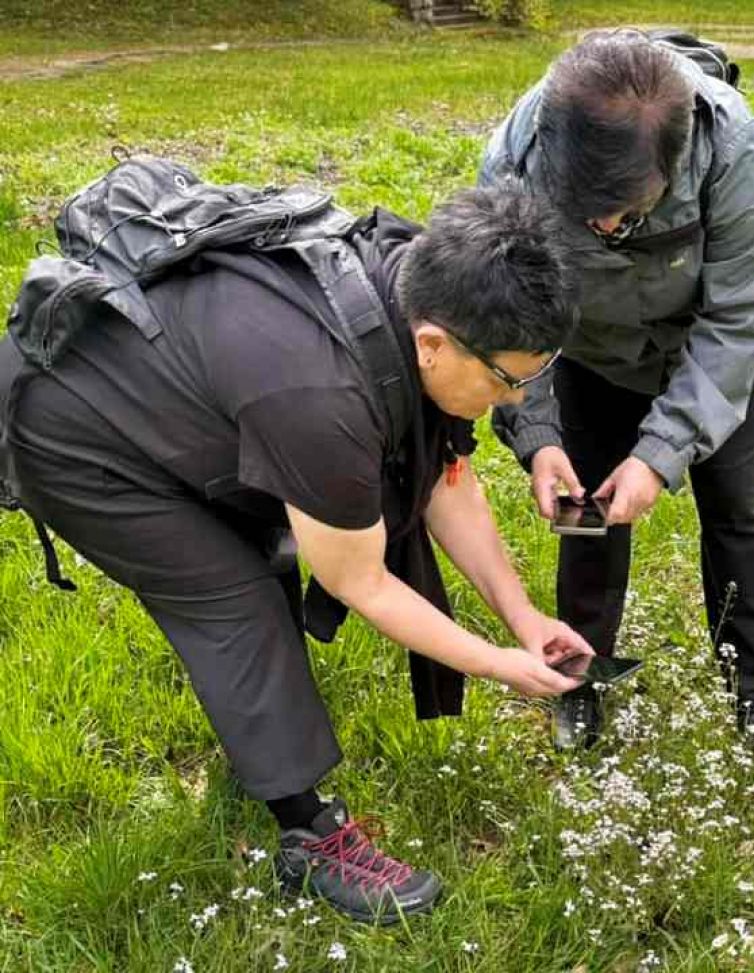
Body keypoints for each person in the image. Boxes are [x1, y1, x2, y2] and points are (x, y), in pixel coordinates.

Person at [0, 186, 592, 924]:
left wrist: (523, 616)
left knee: (267, 559)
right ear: (434, 344)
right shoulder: (323, 397)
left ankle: (258, 740)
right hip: (78, 438)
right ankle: (308, 835)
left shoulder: (413, 277)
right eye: (509, 378)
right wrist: (499, 663)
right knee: (236, 596)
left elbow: (443, 474)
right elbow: (358, 580)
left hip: (193, 392)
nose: (515, 399)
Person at [479, 29, 754, 758]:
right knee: (584, 515)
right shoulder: (513, 161)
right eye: (585, 212)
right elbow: (507, 312)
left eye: (623, 211)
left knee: (734, 509)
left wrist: (658, 454)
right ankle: (579, 683)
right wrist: (538, 436)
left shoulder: (732, 149)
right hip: (592, 354)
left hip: (718, 349)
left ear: (670, 163)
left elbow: (738, 316)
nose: (604, 228)